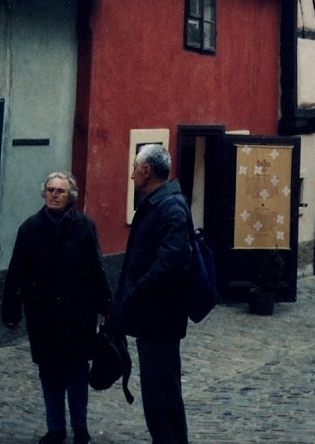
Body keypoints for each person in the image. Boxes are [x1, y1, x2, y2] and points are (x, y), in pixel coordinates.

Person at [3, 172, 111, 444]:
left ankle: (80, 427)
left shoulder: (84, 227)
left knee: (76, 373)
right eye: (50, 190)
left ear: (70, 196)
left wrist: (105, 305)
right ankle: (55, 428)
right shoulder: (30, 229)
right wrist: (11, 310)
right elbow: (17, 272)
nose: (54, 195)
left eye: (60, 191)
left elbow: (96, 267)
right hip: (44, 315)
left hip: (78, 315)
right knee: (49, 373)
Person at [109, 144, 192, 444]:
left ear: (146, 171)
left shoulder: (169, 207)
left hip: (160, 319)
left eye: (134, 168)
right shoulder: (159, 203)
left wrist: (135, 291)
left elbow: (170, 263)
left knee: (161, 395)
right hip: (154, 318)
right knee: (158, 393)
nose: (131, 175)